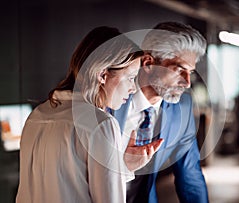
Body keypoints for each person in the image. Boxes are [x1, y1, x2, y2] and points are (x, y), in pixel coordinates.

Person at [16, 26, 163, 203]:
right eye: (131, 78)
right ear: (102, 75)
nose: (133, 88)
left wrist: (122, 167)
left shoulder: (37, 116)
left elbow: (65, 185)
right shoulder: (101, 123)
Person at [113, 22, 209, 203]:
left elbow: (190, 176)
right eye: (179, 70)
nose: (187, 82)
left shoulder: (183, 109)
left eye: (190, 72)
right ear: (149, 63)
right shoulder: (110, 98)